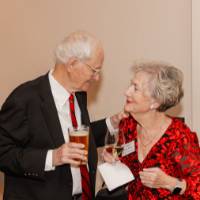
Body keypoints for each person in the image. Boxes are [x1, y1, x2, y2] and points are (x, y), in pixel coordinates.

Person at [0, 31, 123, 200]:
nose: (97, 78)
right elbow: (3, 153)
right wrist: (52, 157)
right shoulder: (25, 99)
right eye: (94, 70)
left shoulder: (78, 94)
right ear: (72, 64)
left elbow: (70, 138)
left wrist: (111, 124)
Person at [102, 62, 200, 199]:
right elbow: (124, 151)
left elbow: (197, 186)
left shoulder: (179, 138)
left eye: (135, 88)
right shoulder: (128, 126)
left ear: (155, 102)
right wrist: (114, 155)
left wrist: (169, 183)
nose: (126, 92)